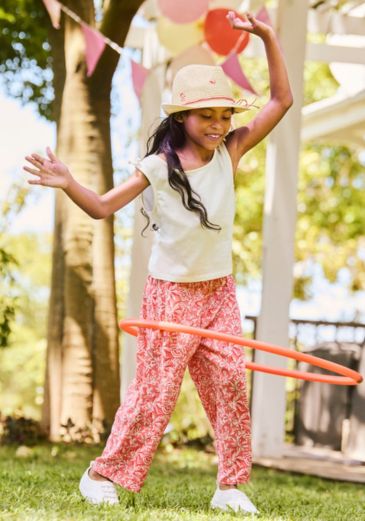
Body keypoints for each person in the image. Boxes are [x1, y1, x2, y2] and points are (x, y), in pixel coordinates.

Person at [23, 11, 292, 515]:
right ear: (180, 118)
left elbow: (281, 100)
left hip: (219, 292)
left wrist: (269, 36)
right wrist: (67, 181)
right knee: (156, 392)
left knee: (232, 384)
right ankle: (101, 474)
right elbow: (103, 207)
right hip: (171, 294)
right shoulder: (159, 167)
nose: (218, 125)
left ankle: (230, 485)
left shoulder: (230, 152)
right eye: (205, 115)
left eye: (225, 115)